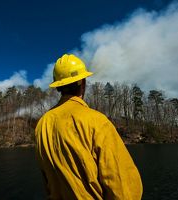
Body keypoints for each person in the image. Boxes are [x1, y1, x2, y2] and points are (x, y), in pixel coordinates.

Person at [35, 54, 143, 200]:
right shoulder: (97, 121)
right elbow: (124, 188)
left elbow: (47, 179)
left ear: (58, 87)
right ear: (83, 83)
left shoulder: (42, 124)